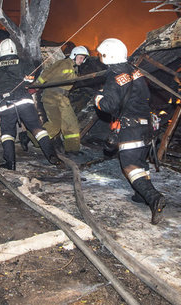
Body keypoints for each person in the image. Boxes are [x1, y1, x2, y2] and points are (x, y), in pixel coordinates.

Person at [94, 38, 167, 225]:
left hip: (130, 127)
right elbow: (146, 96)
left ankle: (153, 197)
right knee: (140, 161)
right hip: (147, 126)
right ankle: (140, 195)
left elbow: (109, 105)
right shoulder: (136, 72)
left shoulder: (114, 76)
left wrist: (98, 98)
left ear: (108, 55)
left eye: (102, 55)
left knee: (129, 165)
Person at [0, 38, 57, 170]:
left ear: (0, 52)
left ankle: (10, 163)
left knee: (7, 133)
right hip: (23, 101)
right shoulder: (22, 62)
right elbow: (29, 80)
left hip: (4, 104)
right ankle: (52, 156)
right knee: (37, 128)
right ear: (14, 50)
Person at [36, 46, 89, 155]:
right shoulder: (63, 63)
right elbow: (47, 73)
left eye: (83, 58)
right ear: (74, 55)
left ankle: (72, 149)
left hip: (63, 98)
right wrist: (36, 85)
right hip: (51, 96)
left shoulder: (75, 67)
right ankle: (31, 137)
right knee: (55, 126)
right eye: (80, 57)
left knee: (71, 123)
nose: (82, 60)